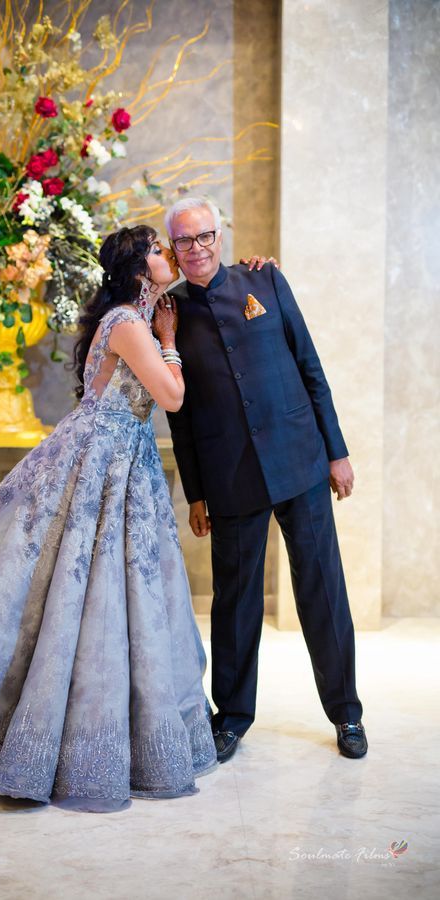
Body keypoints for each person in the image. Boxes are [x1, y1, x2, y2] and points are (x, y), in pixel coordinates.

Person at [0, 225, 220, 813]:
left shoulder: (127, 319)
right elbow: (173, 397)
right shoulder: (130, 324)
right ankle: (42, 739)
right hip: (99, 461)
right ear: (138, 269)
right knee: (76, 590)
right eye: (158, 250)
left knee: (107, 589)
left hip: (119, 461)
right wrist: (168, 339)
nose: (167, 256)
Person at [164, 197, 367, 764]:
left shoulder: (266, 279)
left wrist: (337, 451)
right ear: (173, 249)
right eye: (184, 241)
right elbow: (179, 415)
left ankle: (347, 713)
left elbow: (311, 367)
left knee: (323, 590)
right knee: (235, 600)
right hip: (229, 477)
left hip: (300, 460)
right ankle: (230, 718)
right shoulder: (170, 313)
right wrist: (197, 493)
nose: (197, 248)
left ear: (220, 236)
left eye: (205, 235)